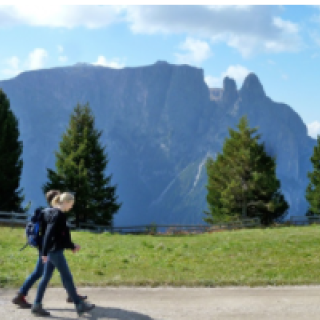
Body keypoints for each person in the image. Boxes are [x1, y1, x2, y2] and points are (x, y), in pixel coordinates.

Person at [12, 190, 87, 309]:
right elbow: (51, 234)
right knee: (56, 274)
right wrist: (70, 246)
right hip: (50, 248)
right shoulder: (56, 214)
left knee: (40, 273)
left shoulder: (45, 212)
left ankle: (22, 295)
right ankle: (72, 297)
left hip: (43, 247)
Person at [31, 192, 95, 317]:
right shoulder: (59, 214)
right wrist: (45, 253)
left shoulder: (46, 211)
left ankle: (36, 305)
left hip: (49, 250)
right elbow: (49, 233)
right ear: (66, 202)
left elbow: (49, 234)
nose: (71, 207)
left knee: (45, 278)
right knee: (67, 277)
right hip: (55, 251)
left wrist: (70, 246)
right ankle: (79, 304)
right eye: (71, 204)